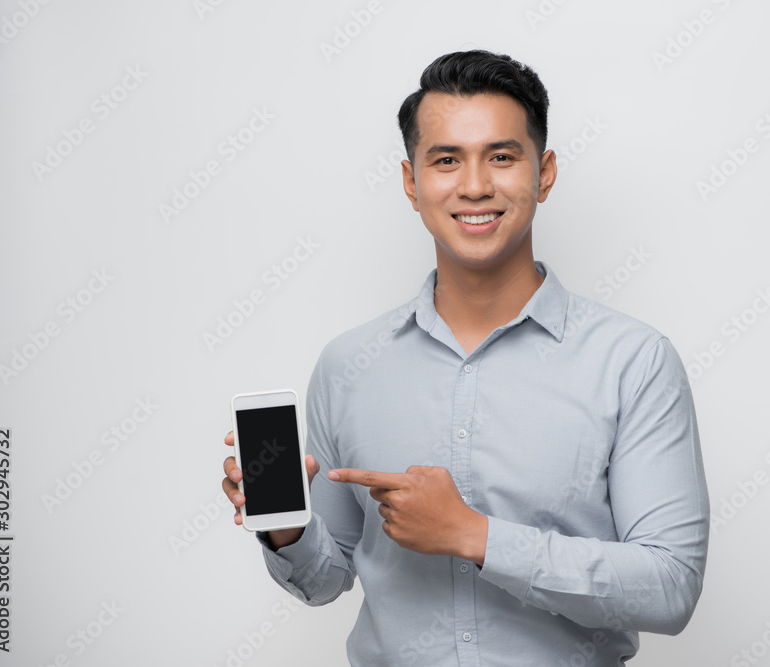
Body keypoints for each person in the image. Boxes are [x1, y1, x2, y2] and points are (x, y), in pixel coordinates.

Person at [222, 50, 709, 665]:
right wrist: (284, 528)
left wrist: (472, 535)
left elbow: (671, 589)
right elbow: (325, 579)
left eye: (502, 157)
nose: (475, 185)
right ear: (411, 182)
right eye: (446, 160)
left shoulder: (634, 362)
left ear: (545, 172)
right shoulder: (347, 366)